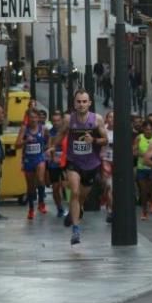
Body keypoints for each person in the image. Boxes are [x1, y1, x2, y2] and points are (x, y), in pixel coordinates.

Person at [51, 90, 108, 245]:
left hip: (91, 164)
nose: (81, 104)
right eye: (78, 101)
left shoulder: (97, 119)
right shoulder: (69, 119)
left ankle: (78, 209)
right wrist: (52, 147)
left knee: (82, 196)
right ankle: (76, 230)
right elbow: (61, 134)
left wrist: (94, 140)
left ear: (89, 103)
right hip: (73, 161)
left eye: (84, 101)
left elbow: (105, 140)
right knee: (74, 192)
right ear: (74, 103)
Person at [16, 108, 49, 220]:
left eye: (35, 117)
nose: (34, 120)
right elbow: (17, 145)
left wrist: (47, 150)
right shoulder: (24, 129)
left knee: (40, 179)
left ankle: (41, 203)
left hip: (39, 158)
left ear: (38, 118)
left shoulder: (43, 128)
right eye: (31, 117)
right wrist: (26, 140)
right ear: (28, 119)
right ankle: (31, 209)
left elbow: (48, 142)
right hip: (28, 160)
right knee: (30, 186)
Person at [133, 120, 152, 220]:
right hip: (141, 167)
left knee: (151, 188)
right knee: (143, 190)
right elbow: (134, 151)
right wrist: (144, 155)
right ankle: (144, 211)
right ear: (143, 129)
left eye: (150, 129)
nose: (148, 131)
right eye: (146, 129)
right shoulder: (139, 138)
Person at [46, 109, 67, 218]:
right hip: (54, 163)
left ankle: (72, 206)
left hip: (65, 162)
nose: (56, 123)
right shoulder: (51, 132)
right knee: (55, 187)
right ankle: (59, 208)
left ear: (62, 120)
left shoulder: (66, 131)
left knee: (66, 185)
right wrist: (53, 157)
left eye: (58, 120)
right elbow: (49, 146)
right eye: (54, 121)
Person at [101, 111, 115, 223]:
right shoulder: (103, 130)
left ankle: (112, 208)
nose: (112, 119)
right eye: (110, 117)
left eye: (115, 117)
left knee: (115, 188)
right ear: (107, 118)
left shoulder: (121, 130)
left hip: (118, 163)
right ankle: (110, 211)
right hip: (106, 161)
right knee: (109, 186)